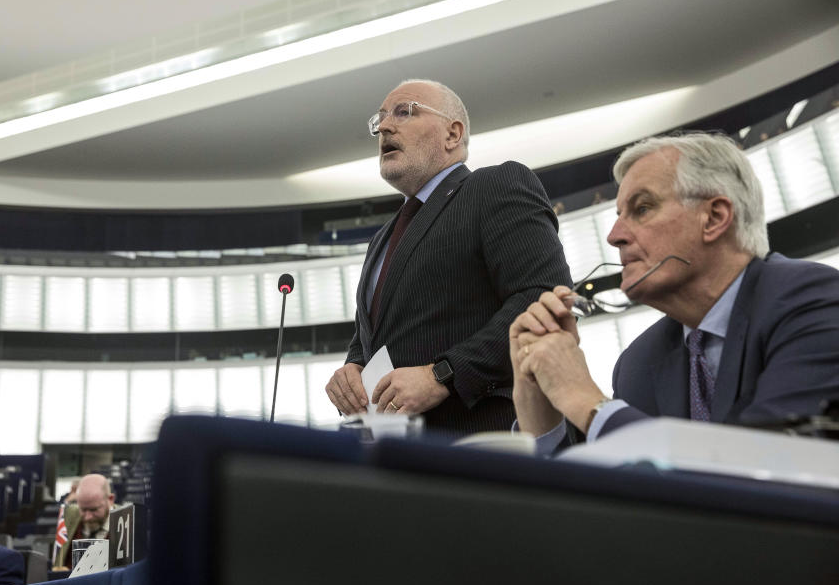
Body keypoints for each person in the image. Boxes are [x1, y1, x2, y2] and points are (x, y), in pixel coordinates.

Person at [509, 132, 839, 452]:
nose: (614, 236)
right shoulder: (638, 363)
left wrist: (585, 400)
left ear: (714, 217)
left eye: (642, 208)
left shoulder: (814, 301)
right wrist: (539, 402)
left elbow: (772, 468)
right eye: (618, 215)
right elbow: (603, 498)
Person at [325, 79, 571, 435]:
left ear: (453, 135)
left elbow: (542, 298)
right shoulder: (382, 239)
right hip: (397, 452)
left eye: (404, 112)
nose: (385, 126)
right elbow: (374, 338)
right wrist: (352, 370)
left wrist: (443, 374)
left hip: (482, 437)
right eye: (379, 120)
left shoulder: (495, 186)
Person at [52, 473, 115, 569]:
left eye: (94, 510)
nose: (88, 517)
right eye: (83, 510)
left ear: (110, 499)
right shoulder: (69, 514)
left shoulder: (125, 519)